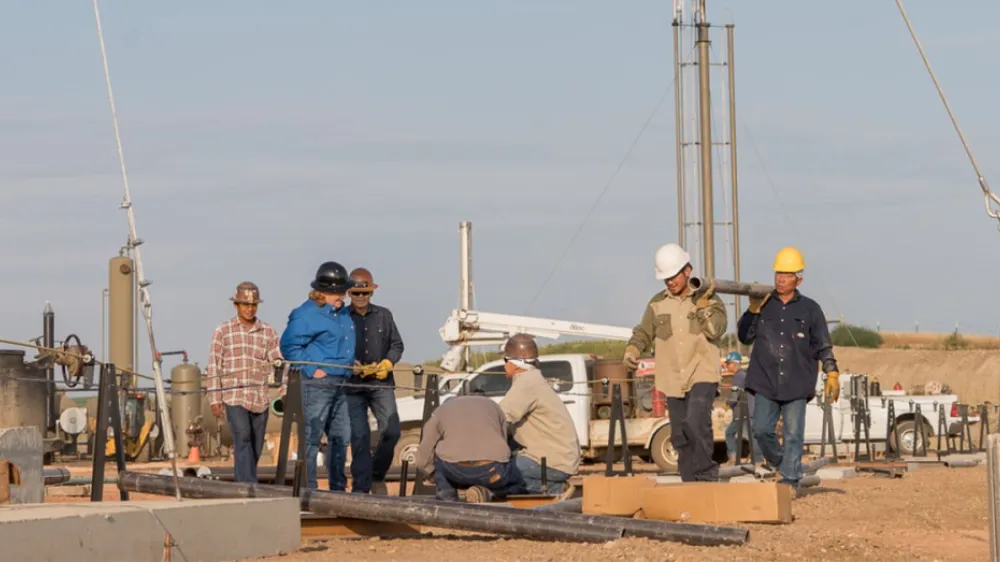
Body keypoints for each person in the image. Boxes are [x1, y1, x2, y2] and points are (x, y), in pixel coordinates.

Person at [621, 243, 727, 481]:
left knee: (696, 421)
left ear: (687, 270)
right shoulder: (657, 303)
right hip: (672, 378)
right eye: (665, 278)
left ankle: (706, 476)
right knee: (679, 434)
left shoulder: (708, 297)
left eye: (673, 276)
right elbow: (643, 332)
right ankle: (689, 480)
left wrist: (703, 310)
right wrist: (633, 349)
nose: (669, 282)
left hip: (702, 372)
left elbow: (716, 330)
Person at [737, 247, 839, 488]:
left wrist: (831, 371)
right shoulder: (763, 304)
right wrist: (752, 311)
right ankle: (781, 462)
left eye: (787, 274)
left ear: (799, 278)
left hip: (797, 380)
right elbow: (744, 337)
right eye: (778, 273)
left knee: (793, 435)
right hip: (765, 380)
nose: (780, 279)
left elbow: (822, 344)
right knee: (761, 429)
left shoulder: (810, 309)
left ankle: (790, 481)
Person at [280, 261, 357, 491]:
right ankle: (308, 488)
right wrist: (314, 370)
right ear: (324, 292)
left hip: (342, 382)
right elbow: (288, 346)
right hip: (318, 384)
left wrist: (351, 362)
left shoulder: (342, 311)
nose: (343, 296)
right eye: (339, 292)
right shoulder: (306, 315)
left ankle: (337, 488)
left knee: (341, 437)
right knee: (312, 437)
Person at [205, 282, 282, 484]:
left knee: (256, 445)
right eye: (245, 305)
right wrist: (215, 398)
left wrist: (284, 385)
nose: (249, 309)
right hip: (234, 396)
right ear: (236, 306)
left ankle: (243, 482)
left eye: (253, 305)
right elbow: (214, 365)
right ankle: (249, 486)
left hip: (259, 397)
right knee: (243, 437)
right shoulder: (223, 331)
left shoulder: (268, 332)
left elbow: (278, 362)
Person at [498, 333, 580, 497]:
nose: (504, 366)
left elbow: (499, 418)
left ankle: (553, 490)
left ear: (514, 363)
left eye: (505, 361)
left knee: (497, 472)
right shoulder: (532, 379)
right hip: (560, 459)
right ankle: (551, 486)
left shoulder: (527, 383)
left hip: (551, 461)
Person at [345, 267, 404, 495]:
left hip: (381, 384)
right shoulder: (342, 318)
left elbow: (397, 345)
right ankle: (360, 488)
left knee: (392, 431)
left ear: (372, 293)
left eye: (365, 293)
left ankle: (376, 475)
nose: (361, 298)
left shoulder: (384, 315)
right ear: (349, 293)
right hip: (353, 385)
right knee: (359, 436)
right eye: (356, 294)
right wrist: (351, 364)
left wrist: (389, 362)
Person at [414, 395, 525, 502]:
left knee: (438, 456)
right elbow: (504, 442)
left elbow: (422, 458)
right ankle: (492, 494)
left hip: (455, 470)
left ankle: (447, 497)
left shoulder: (440, 411)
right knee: (518, 482)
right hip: (493, 469)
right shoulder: (493, 405)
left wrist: (432, 475)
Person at [723, 351, 762, 465]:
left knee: (730, 433)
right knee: (752, 436)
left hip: (743, 413)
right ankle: (758, 459)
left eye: (728, 363)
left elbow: (735, 397)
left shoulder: (738, 377)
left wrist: (728, 403)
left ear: (734, 364)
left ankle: (733, 457)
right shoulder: (744, 376)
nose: (726, 366)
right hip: (749, 411)